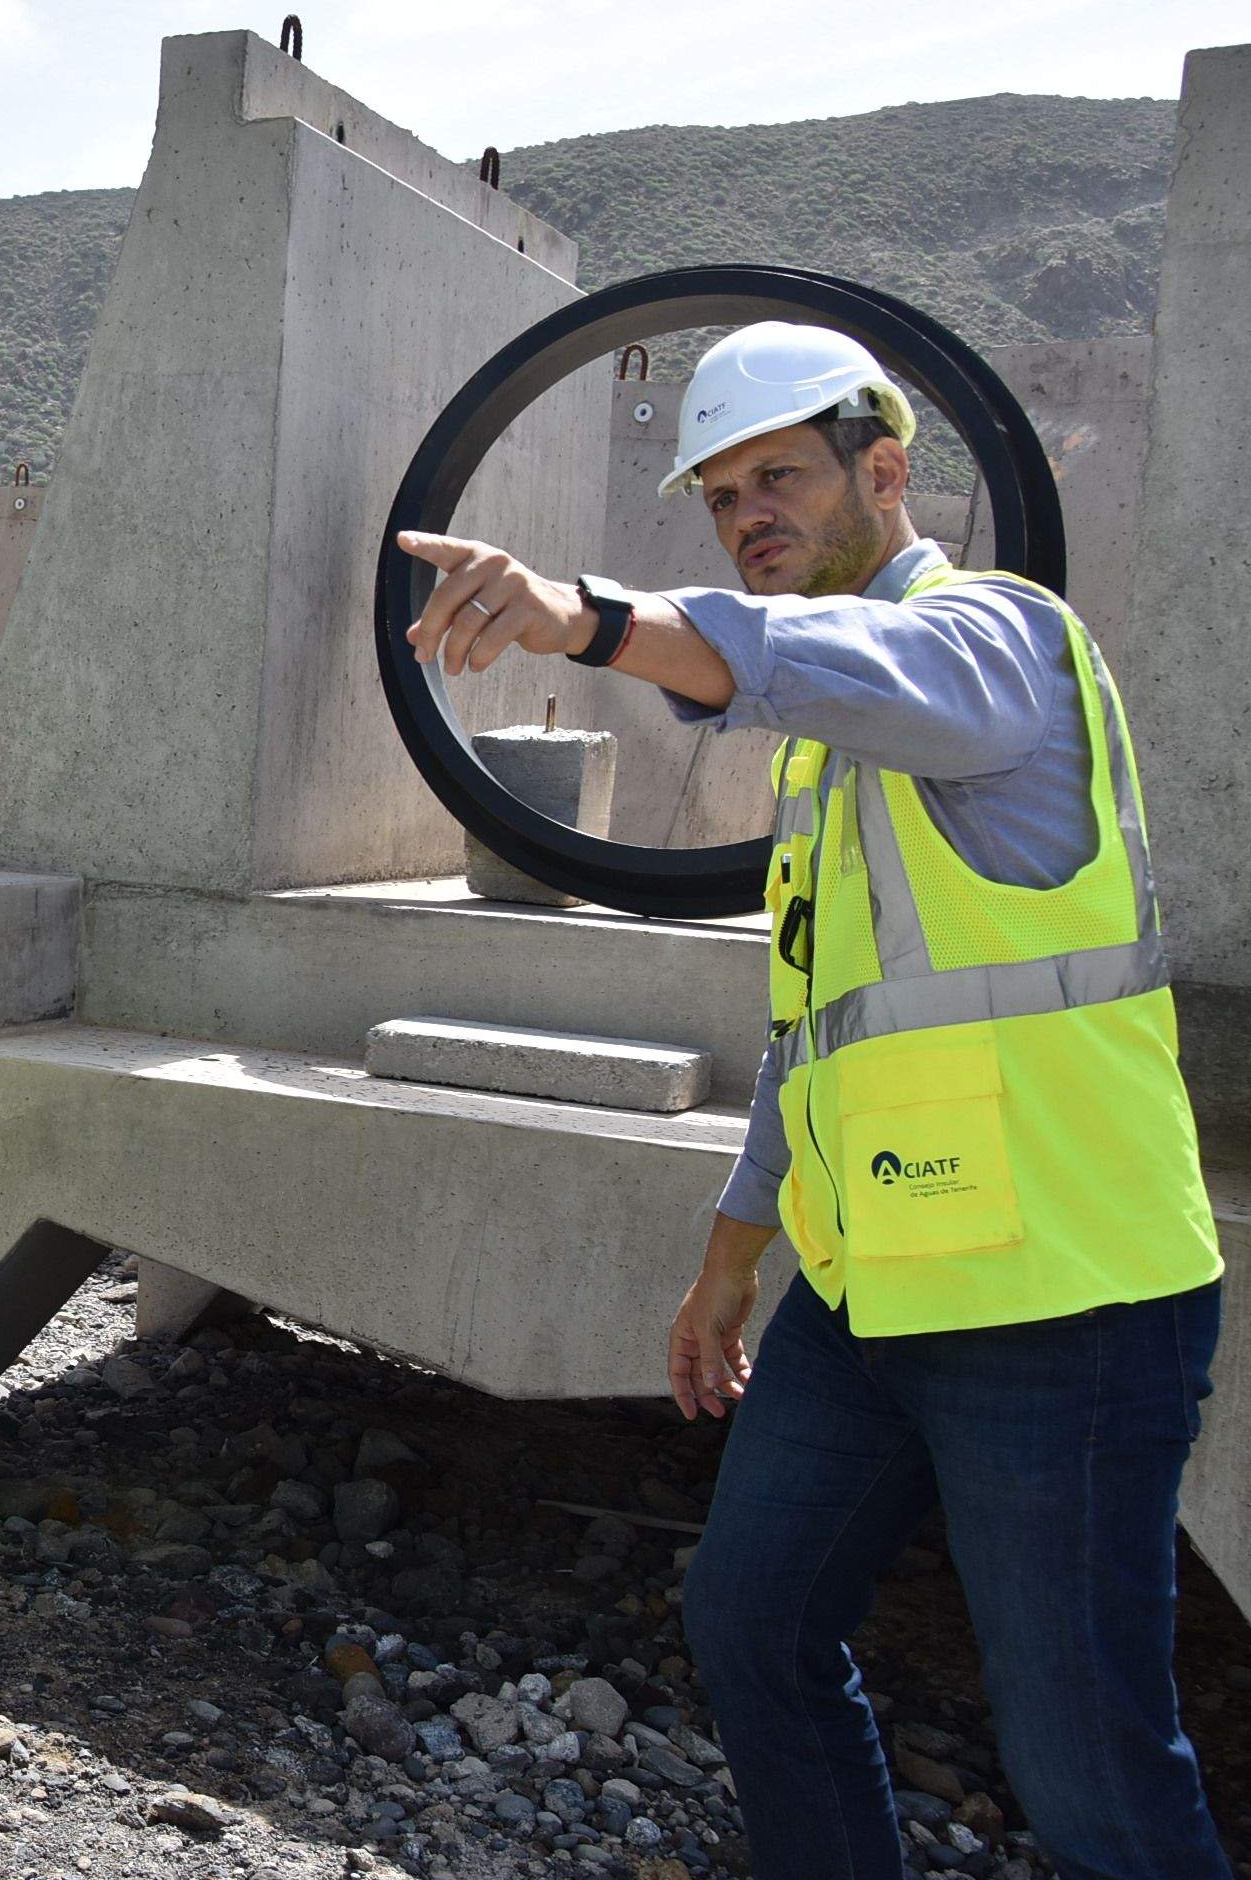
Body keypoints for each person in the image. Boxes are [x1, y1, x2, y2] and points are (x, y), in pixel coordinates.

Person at [394, 320, 1228, 1877]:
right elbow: (819, 1031)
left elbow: (825, 660)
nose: (746, 516)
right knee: (756, 1625)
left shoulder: (998, 645)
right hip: (874, 1293)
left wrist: (590, 620)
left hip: (1065, 1301)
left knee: (1095, 1777)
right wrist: (732, 1257)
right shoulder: (825, 761)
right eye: (720, 497)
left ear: (886, 468)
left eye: (778, 475)